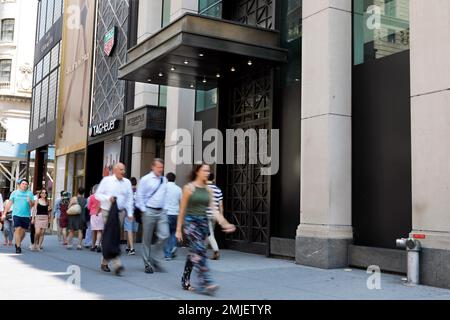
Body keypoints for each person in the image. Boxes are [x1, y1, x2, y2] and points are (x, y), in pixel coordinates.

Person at [176, 164, 235, 294]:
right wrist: (178, 229)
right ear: (197, 171)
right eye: (205, 170)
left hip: (203, 222)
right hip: (191, 222)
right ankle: (206, 282)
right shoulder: (189, 188)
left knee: (195, 253)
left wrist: (225, 223)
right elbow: (182, 210)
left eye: (209, 171)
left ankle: (185, 280)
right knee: (200, 250)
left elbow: (215, 211)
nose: (207, 173)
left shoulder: (209, 190)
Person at [95, 163, 133, 276]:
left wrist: (130, 213)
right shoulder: (107, 181)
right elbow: (97, 194)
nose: (123, 172)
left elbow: (129, 198)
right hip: (107, 211)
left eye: (124, 170)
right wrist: (108, 198)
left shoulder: (127, 182)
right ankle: (117, 265)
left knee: (113, 236)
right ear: (115, 170)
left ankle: (104, 261)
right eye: (121, 169)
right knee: (112, 236)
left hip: (120, 212)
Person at [135, 159, 169, 274]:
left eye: (162, 167)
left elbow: (165, 195)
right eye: (158, 167)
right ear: (153, 167)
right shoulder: (145, 179)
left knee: (165, 235)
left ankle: (155, 258)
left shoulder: (164, 180)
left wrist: (166, 208)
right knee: (147, 239)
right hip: (149, 210)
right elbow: (139, 195)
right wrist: (144, 210)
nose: (160, 170)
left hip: (162, 211)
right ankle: (147, 264)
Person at [3, 179, 35, 254]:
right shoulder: (14, 193)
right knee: (18, 229)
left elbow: (32, 205)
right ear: (20, 185)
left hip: (26, 215)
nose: (24, 185)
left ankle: (18, 242)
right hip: (16, 214)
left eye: (26, 184)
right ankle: (18, 247)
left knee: (23, 232)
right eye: (23, 184)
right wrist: (4, 213)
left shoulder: (30, 194)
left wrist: (29, 201)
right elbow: (9, 203)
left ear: (27, 186)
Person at [163, 172, 182, 260]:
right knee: (173, 232)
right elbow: (181, 202)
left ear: (167, 179)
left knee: (165, 234)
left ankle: (167, 254)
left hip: (166, 213)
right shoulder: (178, 189)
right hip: (175, 213)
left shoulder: (164, 188)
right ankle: (173, 246)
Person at [206, 173, 223, 260]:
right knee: (209, 233)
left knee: (209, 234)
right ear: (213, 179)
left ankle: (216, 251)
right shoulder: (218, 190)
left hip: (205, 215)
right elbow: (221, 205)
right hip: (214, 215)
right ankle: (203, 252)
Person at [124, 177, 139, 256]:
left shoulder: (128, 192)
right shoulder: (138, 192)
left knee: (129, 230)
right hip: (136, 213)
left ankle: (132, 248)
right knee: (133, 230)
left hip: (129, 213)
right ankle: (128, 246)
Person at [87, 184, 103, 252]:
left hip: (93, 214)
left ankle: (93, 246)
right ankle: (98, 244)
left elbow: (88, 207)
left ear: (94, 190)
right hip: (101, 214)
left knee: (94, 231)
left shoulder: (91, 197)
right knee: (100, 230)